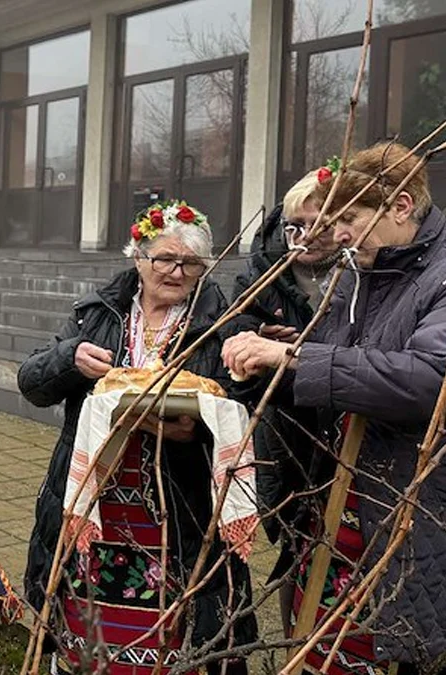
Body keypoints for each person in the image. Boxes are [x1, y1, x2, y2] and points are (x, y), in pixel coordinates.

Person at [224, 143, 446, 674]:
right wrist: (271, 371)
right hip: (336, 508)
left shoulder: (440, 277)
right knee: (324, 652)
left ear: (399, 205)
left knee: (392, 647)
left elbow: (430, 381)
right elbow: (334, 374)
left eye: (349, 217)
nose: (337, 233)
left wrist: (297, 357)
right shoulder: (357, 276)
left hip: (407, 514)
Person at [18, 201, 255, 675]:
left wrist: (193, 432)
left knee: (170, 631)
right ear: (138, 257)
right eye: (164, 259)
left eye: (190, 263)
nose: (175, 271)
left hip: (175, 514)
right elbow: (31, 383)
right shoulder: (97, 315)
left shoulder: (221, 324)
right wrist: (69, 359)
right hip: (94, 507)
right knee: (87, 629)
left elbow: (236, 405)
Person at [222, 171, 340, 636]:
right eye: (295, 225)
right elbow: (231, 343)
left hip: (350, 438)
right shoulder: (260, 276)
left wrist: (304, 355)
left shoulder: (361, 277)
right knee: (296, 548)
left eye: (320, 224)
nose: (306, 236)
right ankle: (297, 644)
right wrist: (251, 347)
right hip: (287, 439)